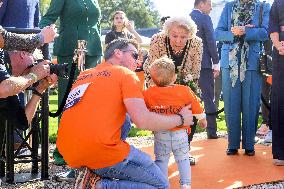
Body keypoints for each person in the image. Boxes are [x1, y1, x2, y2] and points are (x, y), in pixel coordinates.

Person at [56, 38, 193, 189]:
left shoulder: (85, 75)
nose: (138, 61)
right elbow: (143, 121)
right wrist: (180, 119)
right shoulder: (125, 74)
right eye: (134, 55)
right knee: (161, 185)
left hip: (68, 152)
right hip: (101, 151)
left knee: (125, 119)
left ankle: (93, 172)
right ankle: (98, 184)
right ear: (118, 53)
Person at [143, 16, 202, 165]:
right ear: (168, 32)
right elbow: (151, 68)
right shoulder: (157, 40)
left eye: (183, 37)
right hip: (159, 84)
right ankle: (163, 152)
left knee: (190, 109)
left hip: (184, 85)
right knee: (161, 114)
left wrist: (182, 91)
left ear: (189, 36)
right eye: (174, 36)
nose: (178, 41)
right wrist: (161, 91)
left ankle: (185, 149)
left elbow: (195, 72)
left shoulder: (196, 43)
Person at [215, 0, 270, 156]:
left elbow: (266, 32)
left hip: (252, 62)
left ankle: (249, 144)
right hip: (229, 63)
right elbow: (217, 33)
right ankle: (232, 144)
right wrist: (232, 33)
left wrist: (246, 31)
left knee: (251, 104)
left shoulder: (264, 7)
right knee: (231, 104)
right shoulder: (228, 6)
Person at [143, 57, 207, 189]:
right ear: (174, 77)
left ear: (153, 79)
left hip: (160, 132)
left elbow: (143, 110)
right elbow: (195, 105)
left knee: (161, 159)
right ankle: (185, 184)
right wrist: (202, 118)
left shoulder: (148, 93)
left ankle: (162, 184)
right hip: (180, 132)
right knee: (183, 159)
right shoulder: (183, 90)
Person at [39, 0, 103, 110]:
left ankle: (90, 126)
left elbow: (97, 24)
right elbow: (48, 19)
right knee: (69, 95)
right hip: (69, 50)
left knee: (92, 95)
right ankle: (66, 126)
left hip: (94, 51)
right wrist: (38, 38)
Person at [190, 0, 219, 139]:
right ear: (201, 4)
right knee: (209, 98)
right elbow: (211, 41)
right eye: (209, 4)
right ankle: (212, 132)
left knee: (188, 98)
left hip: (188, 66)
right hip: (204, 64)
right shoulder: (204, 18)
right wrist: (216, 62)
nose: (211, 8)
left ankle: (187, 132)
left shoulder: (185, 18)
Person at [268, 0, 284, 166]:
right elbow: (272, 26)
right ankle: (281, 152)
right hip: (280, 52)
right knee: (280, 98)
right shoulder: (277, 3)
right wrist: (278, 45)